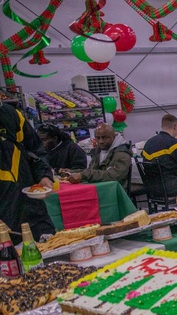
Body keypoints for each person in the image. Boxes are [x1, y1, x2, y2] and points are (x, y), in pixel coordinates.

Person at [0, 102, 55, 241]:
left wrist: (43, 175)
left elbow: (35, 150)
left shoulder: (11, 114)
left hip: (31, 208)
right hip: (4, 216)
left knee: (53, 254)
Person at [140, 114, 177, 199]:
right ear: (175, 126)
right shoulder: (173, 144)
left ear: (162, 126)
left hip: (152, 188)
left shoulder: (148, 144)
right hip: (173, 185)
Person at [65, 123, 132, 192]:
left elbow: (112, 176)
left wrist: (83, 175)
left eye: (105, 137)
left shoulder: (122, 154)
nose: (101, 141)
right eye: (98, 138)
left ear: (114, 136)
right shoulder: (100, 150)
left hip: (114, 191)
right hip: (100, 187)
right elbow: (91, 170)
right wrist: (71, 172)